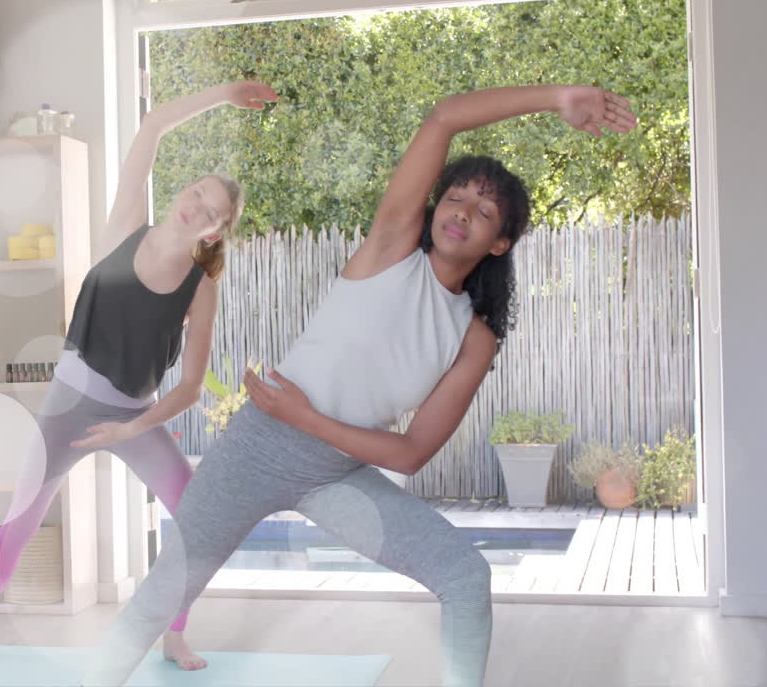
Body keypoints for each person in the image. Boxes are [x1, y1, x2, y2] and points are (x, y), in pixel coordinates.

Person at [82, 83, 637, 687]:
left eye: (485, 213)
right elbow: (444, 115)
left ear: (500, 242)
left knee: (465, 576)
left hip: (336, 471)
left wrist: (309, 420)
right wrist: (557, 99)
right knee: (163, 595)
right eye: (456, 198)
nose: (462, 213)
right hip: (256, 449)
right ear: (433, 209)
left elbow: (411, 451)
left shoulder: (474, 339)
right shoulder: (391, 246)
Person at [0, 80, 280, 668]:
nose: (196, 207)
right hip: (68, 406)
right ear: (183, 192)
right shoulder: (125, 225)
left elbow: (191, 387)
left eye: (211, 212)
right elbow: (152, 126)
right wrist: (224, 94)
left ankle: (175, 632)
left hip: (135, 414)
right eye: (196, 193)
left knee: (196, 517)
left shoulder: (202, 285)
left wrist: (131, 430)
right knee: (21, 519)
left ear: (214, 232)